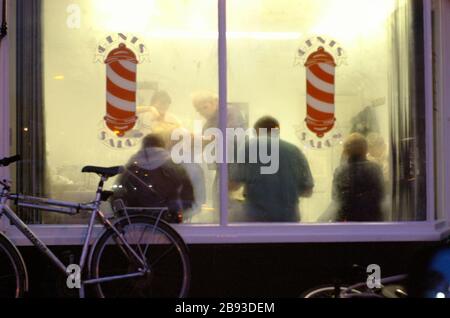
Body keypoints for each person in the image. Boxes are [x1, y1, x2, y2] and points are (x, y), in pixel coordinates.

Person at [229, 116, 314, 223]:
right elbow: (307, 191)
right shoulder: (294, 151)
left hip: (256, 218)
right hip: (289, 218)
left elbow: (232, 185)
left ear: (257, 131)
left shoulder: (247, 147)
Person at [112, 134, 194, 223]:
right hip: (167, 218)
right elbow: (186, 188)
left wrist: (122, 211)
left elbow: (119, 190)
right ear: (162, 145)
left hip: (136, 218)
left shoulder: (132, 165)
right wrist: (183, 207)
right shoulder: (172, 163)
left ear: (143, 146)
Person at [332, 133, 385, 222]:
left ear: (346, 151)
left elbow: (336, 198)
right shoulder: (375, 168)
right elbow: (381, 195)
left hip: (350, 220)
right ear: (366, 150)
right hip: (373, 219)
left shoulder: (340, 171)